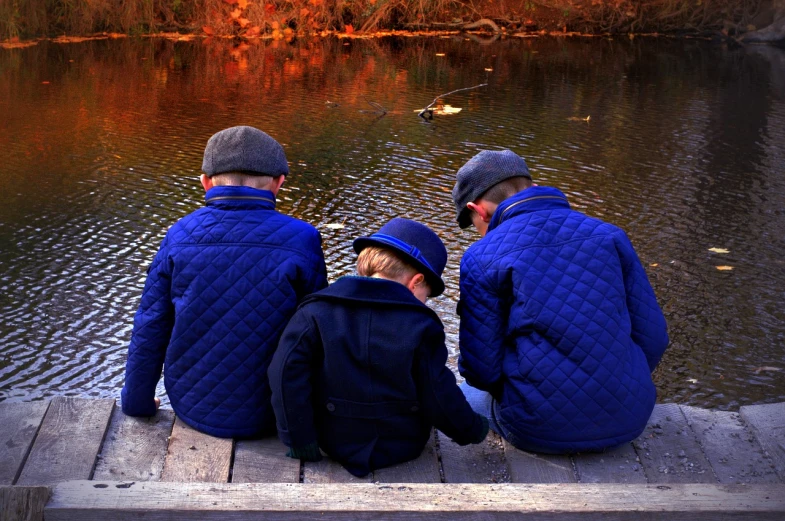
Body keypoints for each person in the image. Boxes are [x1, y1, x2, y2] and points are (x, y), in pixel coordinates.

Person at [452, 149, 669, 453]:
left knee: (459, 396)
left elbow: (480, 370)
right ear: (535, 188)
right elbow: (654, 336)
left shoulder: (481, 257)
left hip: (536, 428)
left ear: (480, 210)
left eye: (474, 222)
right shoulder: (610, 236)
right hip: (630, 417)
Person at [121, 126, 328, 438]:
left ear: (206, 182)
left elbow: (151, 324)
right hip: (274, 413)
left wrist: (137, 402)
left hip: (192, 406)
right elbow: (320, 330)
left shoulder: (180, 234)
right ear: (279, 183)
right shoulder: (303, 239)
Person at [268, 218, 489, 477]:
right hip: (403, 445)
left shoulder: (315, 310)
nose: (424, 303)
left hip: (333, 440)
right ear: (416, 281)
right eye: (426, 295)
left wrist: (299, 439)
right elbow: (438, 394)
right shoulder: (421, 325)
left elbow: (284, 375)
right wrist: (472, 429)